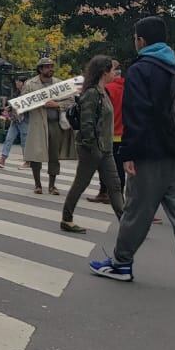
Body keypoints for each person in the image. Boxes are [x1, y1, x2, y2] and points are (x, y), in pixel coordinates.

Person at [89, 16, 175, 300]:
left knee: (137, 213)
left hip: (151, 155)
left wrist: (129, 154)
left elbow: (137, 115)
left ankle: (121, 264)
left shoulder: (140, 69)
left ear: (141, 40)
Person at [60, 56, 124, 232]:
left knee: (115, 185)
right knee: (81, 183)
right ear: (104, 73)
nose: (115, 74)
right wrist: (93, 147)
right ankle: (66, 218)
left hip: (105, 148)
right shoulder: (92, 94)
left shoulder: (103, 92)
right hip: (92, 148)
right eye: (112, 70)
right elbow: (86, 123)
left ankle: (127, 224)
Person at [22, 57, 75, 195]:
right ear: (40, 69)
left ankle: (52, 185)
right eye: (47, 67)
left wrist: (57, 105)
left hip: (55, 123)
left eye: (51, 66)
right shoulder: (30, 84)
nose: (50, 69)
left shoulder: (59, 84)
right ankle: (37, 184)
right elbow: (23, 103)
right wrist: (39, 103)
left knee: (54, 155)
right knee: (36, 154)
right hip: (37, 123)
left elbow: (71, 101)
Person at [90, 61, 125, 202]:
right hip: (123, 132)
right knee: (118, 166)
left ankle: (105, 193)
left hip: (108, 132)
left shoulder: (107, 89)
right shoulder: (128, 87)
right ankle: (116, 193)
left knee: (104, 165)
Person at [0, 77, 29, 169]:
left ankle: (27, 161)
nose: (17, 83)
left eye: (19, 82)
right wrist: (9, 108)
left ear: (24, 83)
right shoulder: (16, 92)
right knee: (9, 138)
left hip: (24, 119)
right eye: (17, 81)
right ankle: (3, 159)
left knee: (24, 141)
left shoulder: (28, 93)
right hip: (15, 119)